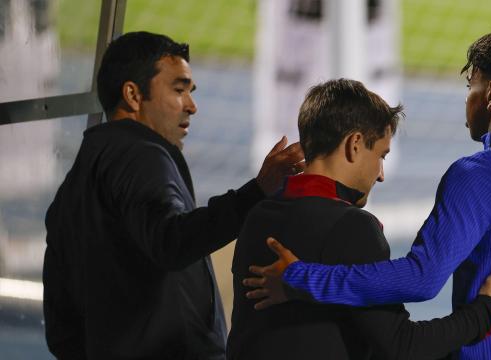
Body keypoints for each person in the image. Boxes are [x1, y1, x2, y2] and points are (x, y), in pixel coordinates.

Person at [245, 29, 491, 359]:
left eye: (472, 85)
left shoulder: (478, 175)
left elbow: (421, 279)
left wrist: (302, 278)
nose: (468, 98)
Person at [230, 79, 491, 360]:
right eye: (381, 155)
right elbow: (403, 346)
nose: (380, 175)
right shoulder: (353, 227)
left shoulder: (257, 215)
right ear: (355, 145)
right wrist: (488, 311)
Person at [42, 31, 304, 360]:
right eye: (179, 89)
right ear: (133, 95)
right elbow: (172, 240)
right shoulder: (139, 153)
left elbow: (60, 316)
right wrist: (258, 190)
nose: (192, 106)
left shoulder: (78, 180)